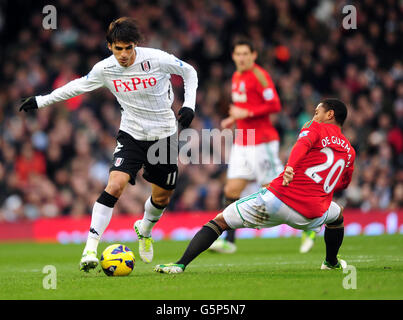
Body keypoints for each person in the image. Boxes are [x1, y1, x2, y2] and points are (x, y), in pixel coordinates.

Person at [19, 17, 198, 272]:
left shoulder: (156, 58)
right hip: (131, 134)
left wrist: (189, 104)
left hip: (164, 134)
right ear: (109, 46)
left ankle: (145, 228)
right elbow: (76, 87)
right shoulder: (105, 69)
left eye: (128, 48)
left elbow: (189, 71)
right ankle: (89, 249)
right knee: (115, 185)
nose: (124, 54)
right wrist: (40, 101)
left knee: (162, 196)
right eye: (118, 48)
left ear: (135, 45)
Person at [154, 98, 355, 274]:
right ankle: (331, 262)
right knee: (337, 214)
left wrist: (291, 167)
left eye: (317, 111)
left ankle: (180, 264)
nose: (314, 115)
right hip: (313, 214)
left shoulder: (315, 128)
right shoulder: (349, 151)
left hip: (278, 200)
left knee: (220, 220)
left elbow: (301, 145)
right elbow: (344, 183)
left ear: (330, 114)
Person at [209, 37, 284, 254]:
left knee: (275, 189)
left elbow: (275, 105)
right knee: (231, 189)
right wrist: (233, 119)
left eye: (245, 54)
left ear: (253, 55)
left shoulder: (260, 75)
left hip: (262, 142)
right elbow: (243, 107)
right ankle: (229, 241)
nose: (241, 58)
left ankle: (311, 220)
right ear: (233, 56)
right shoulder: (235, 76)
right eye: (238, 54)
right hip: (243, 140)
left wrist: (247, 113)